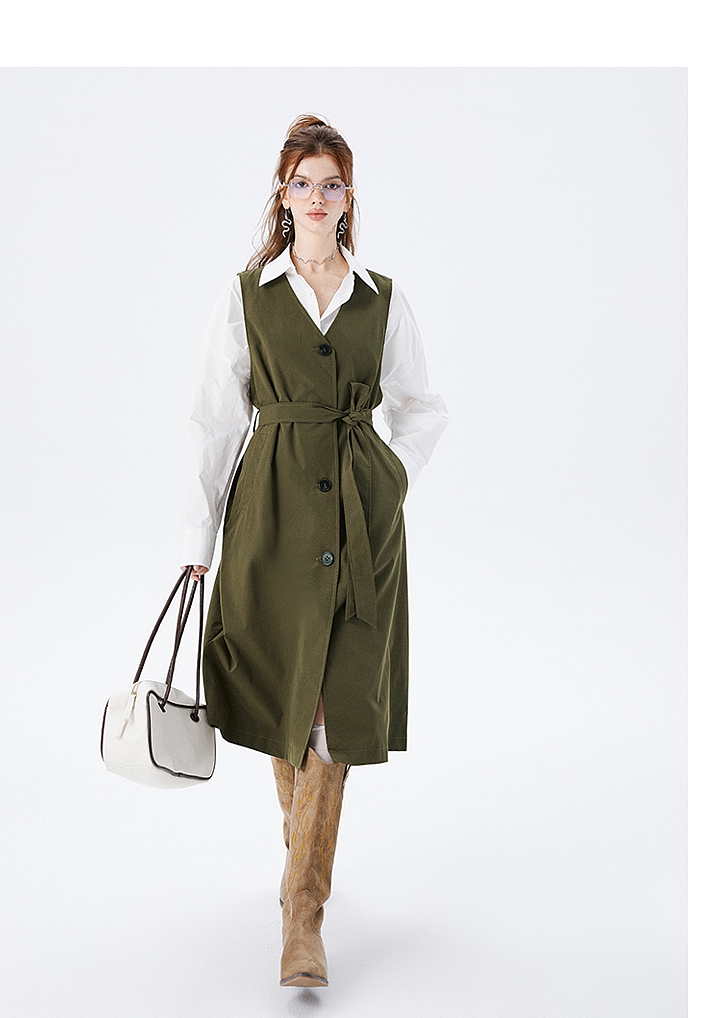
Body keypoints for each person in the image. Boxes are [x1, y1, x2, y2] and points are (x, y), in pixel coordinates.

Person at [181, 114, 448, 987]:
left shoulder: (382, 298)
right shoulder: (248, 295)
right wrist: (197, 539)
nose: (318, 197)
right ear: (284, 195)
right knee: (283, 698)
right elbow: (216, 420)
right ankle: (302, 861)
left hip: (361, 528)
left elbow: (422, 408)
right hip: (270, 522)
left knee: (331, 716)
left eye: (332, 183)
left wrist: (387, 478)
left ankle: (303, 916)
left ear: (348, 196)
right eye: (304, 183)